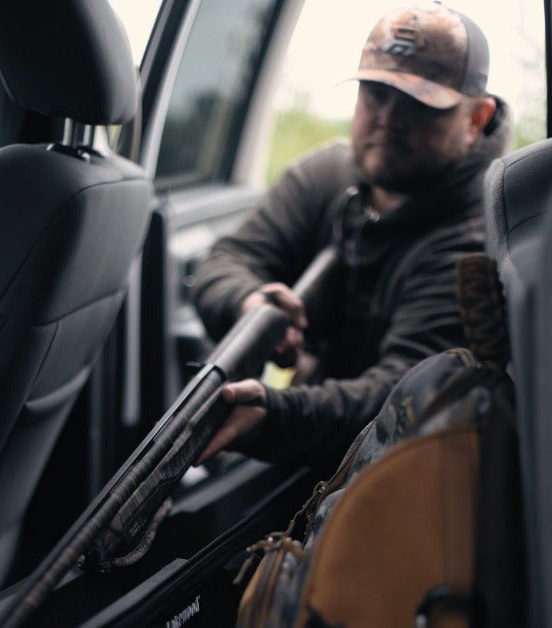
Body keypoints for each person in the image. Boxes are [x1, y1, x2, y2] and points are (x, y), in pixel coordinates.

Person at [193, 3, 510, 468]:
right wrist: (248, 301)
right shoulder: (326, 174)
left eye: (420, 103)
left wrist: (275, 415)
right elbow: (225, 262)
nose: (388, 118)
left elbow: (402, 397)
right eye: (376, 93)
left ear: (477, 119)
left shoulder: (478, 235)